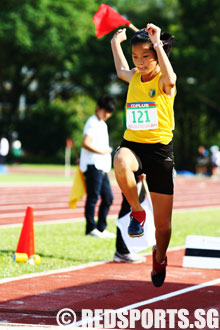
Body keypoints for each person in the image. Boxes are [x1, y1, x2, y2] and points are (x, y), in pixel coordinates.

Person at [111, 23, 177, 286]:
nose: (139, 63)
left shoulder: (164, 78)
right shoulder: (135, 77)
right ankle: (137, 212)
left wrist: (157, 42)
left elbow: (170, 80)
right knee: (119, 161)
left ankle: (159, 257)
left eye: (144, 57)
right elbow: (119, 70)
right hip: (134, 145)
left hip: (160, 151)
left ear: (157, 55)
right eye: (135, 57)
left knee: (164, 227)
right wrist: (115, 43)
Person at [79, 95, 116, 238]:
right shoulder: (92, 122)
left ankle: (101, 227)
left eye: (109, 113)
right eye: (105, 111)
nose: (107, 115)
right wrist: (102, 151)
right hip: (92, 164)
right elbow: (85, 143)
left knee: (108, 197)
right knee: (93, 197)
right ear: (98, 108)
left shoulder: (103, 124)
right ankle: (90, 228)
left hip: (102, 167)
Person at [114, 173, 147, 263]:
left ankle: (126, 249)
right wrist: (139, 172)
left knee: (134, 208)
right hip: (134, 175)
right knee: (130, 210)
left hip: (136, 174)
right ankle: (122, 251)